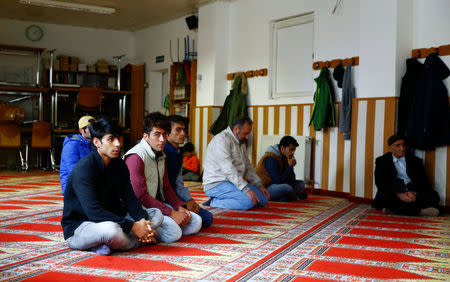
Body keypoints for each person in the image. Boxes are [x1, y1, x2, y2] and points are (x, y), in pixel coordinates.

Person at [61, 118, 163, 256]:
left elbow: (130, 198)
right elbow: (94, 213)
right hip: (82, 226)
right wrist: (133, 227)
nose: (117, 144)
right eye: (111, 139)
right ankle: (139, 240)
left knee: (156, 215)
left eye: (118, 139)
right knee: (111, 230)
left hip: (113, 218)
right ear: (96, 142)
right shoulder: (84, 168)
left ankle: (110, 243)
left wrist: (141, 221)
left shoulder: (119, 165)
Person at [124, 112, 202, 243]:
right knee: (174, 233)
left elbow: (166, 187)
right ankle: (138, 233)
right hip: (138, 209)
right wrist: (171, 213)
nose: (162, 139)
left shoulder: (161, 154)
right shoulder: (136, 157)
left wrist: (178, 206)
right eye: (157, 134)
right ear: (146, 136)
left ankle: (150, 233)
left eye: (165, 135)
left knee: (196, 221)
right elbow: (140, 196)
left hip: (156, 205)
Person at [203, 116, 270, 210]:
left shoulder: (240, 141)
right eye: (245, 133)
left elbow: (248, 166)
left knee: (263, 198)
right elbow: (228, 169)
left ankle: (232, 197)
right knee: (249, 201)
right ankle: (214, 201)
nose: (247, 137)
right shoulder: (221, 140)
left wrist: (259, 184)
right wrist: (246, 189)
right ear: (236, 129)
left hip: (233, 182)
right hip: (217, 183)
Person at [373, 134, 440, 216]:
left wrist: (414, 193)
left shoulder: (415, 160)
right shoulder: (381, 161)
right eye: (398, 145)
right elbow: (380, 183)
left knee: (434, 196)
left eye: (403, 145)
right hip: (394, 190)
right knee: (384, 197)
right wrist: (399, 194)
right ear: (390, 148)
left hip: (412, 189)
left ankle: (393, 210)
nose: (402, 148)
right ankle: (420, 212)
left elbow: (424, 181)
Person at [164, 115, 213, 228]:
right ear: (167, 132)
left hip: (175, 196)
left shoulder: (178, 152)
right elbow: (163, 187)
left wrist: (190, 200)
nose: (183, 134)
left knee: (207, 218)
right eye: (178, 130)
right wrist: (181, 204)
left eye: (184, 130)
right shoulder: (164, 151)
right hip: (164, 198)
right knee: (201, 220)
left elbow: (178, 183)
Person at [255, 135, 307, 201]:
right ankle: (295, 197)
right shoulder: (271, 158)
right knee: (287, 188)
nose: (293, 153)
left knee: (301, 184)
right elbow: (277, 181)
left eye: (294, 150)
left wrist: (290, 166)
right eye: (291, 150)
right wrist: (289, 166)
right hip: (265, 187)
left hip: (278, 185)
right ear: (282, 148)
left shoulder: (284, 156)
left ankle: (284, 197)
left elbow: (292, 180)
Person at [60, 116, 96, 195]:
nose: (93, 130)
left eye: (95, 127)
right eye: (90, 128)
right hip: (73, 189)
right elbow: (73, 172)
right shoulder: (72, 144)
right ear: (81, 130)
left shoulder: (93, 143)